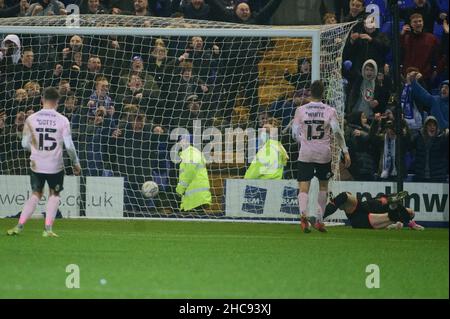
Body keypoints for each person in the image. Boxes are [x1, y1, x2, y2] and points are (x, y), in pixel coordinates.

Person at [6, 87, 81, 237]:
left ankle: (19, 226)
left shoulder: (31, 118)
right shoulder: (63, 120)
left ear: (42, 99)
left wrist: (36, 150)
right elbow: (69, 146)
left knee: (35, 194)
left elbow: (24, 144)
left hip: (36, 164)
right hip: (55, 165)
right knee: (54, 194)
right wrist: (76, 162)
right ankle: (48, 229)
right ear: (57, 102)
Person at [292, 80, 351, 233]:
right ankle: (319, 219)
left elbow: (294, 134)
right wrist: (345, 151)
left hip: (306, 152)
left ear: (310, 92)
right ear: (323, 93)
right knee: (323, 185)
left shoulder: (301, 110)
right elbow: (337, 132)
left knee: (304, 186)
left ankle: (303, 214)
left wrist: (303, 140)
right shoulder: (329, 110)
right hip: (323, 153)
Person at [323, 191, 425, 230]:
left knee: (396, 217)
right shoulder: (381, 200)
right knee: (344, 196)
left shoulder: (382, 203)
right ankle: (321, 215)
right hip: (361, 213)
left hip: (364, 216)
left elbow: (409, 213)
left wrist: (411, 223)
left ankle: (395, 213)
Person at [175, 135, 212, 212]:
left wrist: (180, 189)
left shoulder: (191, 153)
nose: (182, 142)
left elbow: (189, 173)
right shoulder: (189, 153)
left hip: (195, 196)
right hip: (195, 195)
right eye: (181, 140)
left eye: (185, 140)